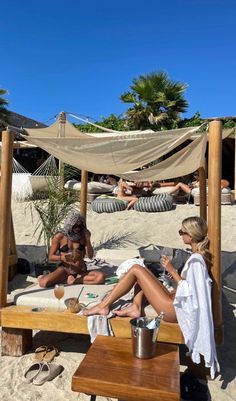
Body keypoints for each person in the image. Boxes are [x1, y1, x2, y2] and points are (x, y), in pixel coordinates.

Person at [83, 216, 219, 378]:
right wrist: (172, 275)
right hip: (173, 300)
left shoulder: (196, 261)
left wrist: (172, 271)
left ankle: (103, 305)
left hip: (172, 308)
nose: (180, 234)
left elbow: (191, 292)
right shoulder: (196, 256)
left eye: (182, 231)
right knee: (143, 270)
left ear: (190, 236)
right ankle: (136, 306)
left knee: (135, 269)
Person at [38, 211, 105, 288]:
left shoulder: (84, 235)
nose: (77, 228)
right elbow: (50, 257)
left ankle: (74, 281)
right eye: (75, 226)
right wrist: (62, 257)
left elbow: (90, 256)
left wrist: (88, 240)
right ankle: (64, 277)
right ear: (69, 225)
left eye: (80, 226)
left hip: (80, 269)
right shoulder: (59, 237)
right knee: (43, 283)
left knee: (101, 277)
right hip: (65, 269)